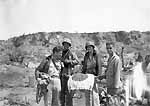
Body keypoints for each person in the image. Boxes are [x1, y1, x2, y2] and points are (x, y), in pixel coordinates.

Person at [60, 38, 79, 106]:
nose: (66, 46)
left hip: (69, 74)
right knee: (61, 92)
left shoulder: (71, 53)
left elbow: (77, 61)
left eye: (67, 45)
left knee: (69, 92)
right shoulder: (61, 52)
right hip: (61, 74)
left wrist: (69, 62)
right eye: (65, 44)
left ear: (69, 45)